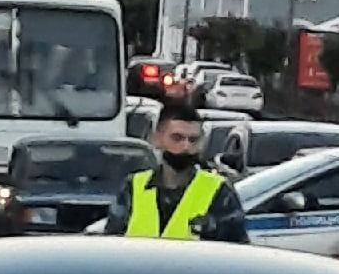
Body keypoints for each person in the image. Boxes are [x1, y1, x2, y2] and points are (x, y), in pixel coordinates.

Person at [105, 102, 249, 242]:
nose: (186, 146)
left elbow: (237, 254)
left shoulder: (219, 191)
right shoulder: (133, 187)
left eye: (193, 140)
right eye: (177, 138)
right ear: (157, 139)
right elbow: (113, 247)